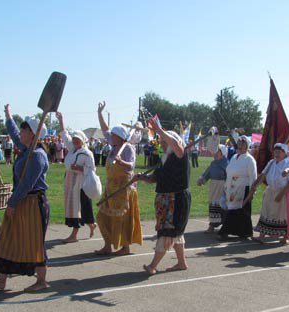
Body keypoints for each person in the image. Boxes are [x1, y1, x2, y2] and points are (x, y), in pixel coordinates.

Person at [0, 104, 51, 291]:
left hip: (33, 203)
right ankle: (1, 279)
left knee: (35, 242)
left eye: (24, 129)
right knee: (9, 237)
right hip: (21, 201)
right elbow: (13, 134)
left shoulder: (37, 156)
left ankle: (41, 280)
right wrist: (8, 116)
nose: (20, 132)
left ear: (32, 133)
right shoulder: (26, 149)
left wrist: (11, 203)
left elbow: (27, 184)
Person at [134, 118, 190, 275]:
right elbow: (155, 178)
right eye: (162, 142)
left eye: (165, 142)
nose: (163, 144)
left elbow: (176, 145)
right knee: (175, 232)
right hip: (165, 199)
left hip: (176, 199)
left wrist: (159, 130)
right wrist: (142, 177)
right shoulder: (164, 158)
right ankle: (181, 263)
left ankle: (153, 265)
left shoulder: (181, 155)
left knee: (168, 232)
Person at [95, 101, 143, 255]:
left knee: (121, 219)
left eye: (114, 135)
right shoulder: (114, 145)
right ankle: (107, 245)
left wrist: (121, 161)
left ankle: (125, 247)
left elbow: (131, 166)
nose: (111, 137)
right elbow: (105, 130)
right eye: (112, 135)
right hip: (110, 188)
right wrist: (100, 113)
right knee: (102, 217)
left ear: (120, 137)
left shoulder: (128, 148)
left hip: (123, 189)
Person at [56, 112, 97, 243]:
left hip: (80, 184)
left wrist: (79, 168)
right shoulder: (72, 148)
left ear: (82, 140)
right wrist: (61, 120)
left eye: (77, 139)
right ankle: (91, 224)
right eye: (74, 139)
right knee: (77, 207)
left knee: (77, 208)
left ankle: (74, 235)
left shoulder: (87, 153)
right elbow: (64, 134)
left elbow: (92, 170)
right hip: (70, 182)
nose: (74, 141)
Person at [251, 143, 289, 244]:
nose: (277, 154)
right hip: (271, 191)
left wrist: (281, 194)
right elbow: (263, 175)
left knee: (283, 215)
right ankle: (262, 234)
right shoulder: (271, 163)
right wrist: (254, 185)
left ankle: (286, 236)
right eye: (275, 151)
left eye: (279, 152)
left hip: (284, 192)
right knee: (266, 212)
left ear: (285, 153)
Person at [218, 135, 257, 239]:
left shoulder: (250, 160)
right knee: (237, 211)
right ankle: (244, 232)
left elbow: (253, 177)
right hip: (232, 188)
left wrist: (252, 192)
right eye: (239, 144)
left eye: (243, 144)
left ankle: (224, 231)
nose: (240, 146)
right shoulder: (234, 157)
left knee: (236, 210)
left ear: (247, 146)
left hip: (243, 189)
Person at [197, 144, 228, 232]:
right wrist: (201, 180)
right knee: (213, 205)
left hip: (223, 187)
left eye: (218, 151)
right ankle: (212, 225)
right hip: (214, 187)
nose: (215, 153)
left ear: (223, 153)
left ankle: (225, 226)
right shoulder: (213, 163)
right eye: (215, 151)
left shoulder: (226, 164)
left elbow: (229, 176)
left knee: (222, 205)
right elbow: (207, 173)